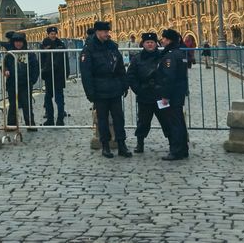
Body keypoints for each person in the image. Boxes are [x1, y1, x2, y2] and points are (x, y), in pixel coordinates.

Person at [80, 20, 130, 158]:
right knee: (102, 120)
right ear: (97, 32)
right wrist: (90, 92)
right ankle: (105, 145)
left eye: (108, 32)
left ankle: (121, 144)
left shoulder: (112, 46)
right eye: (104, 32)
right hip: (99, 89)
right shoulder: (89, 49)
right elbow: (86, 73)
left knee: (119, 118)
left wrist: (124, 84)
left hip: (114, 87)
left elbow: (120, 67)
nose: (107, 34)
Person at [126, 32, 166, 154]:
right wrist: (138, 89)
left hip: (161, 95)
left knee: (166, 120)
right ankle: (140, 143)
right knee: (143, 121)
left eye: (152, 42)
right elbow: (131, 75)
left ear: (156, 44)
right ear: (143, 44)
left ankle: (173, 142)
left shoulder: (162, 57)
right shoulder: (137, 58)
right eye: (147, 42)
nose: (150, 44)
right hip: (144, 94)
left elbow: (168, 74)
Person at [157, 28, 190, 160]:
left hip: (173, 94)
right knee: (180, 122)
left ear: (169, 40)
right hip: (179, 92)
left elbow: (169, 77)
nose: (162, 40)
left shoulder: (170, 55)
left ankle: (176, 151)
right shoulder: (179, 53)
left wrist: (165, 95)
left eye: (164, 38)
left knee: (174, 123)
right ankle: (183, 149)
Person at [2, 31, 40, 130]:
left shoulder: (30, 54)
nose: (18, 44)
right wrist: (5, 70)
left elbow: (35, 67)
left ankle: (30, 124)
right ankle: (11, 125)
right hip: (12, 83)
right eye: (16, 42)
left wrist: (32, 80)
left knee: (27, 104)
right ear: (13, 43)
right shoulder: (9, 54)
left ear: (23, 43)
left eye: (20, 42)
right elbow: (3, 65)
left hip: (25, 83)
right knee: (13, 105)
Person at [39, 26, 69, 126]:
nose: (53, 35)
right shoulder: (44, 44)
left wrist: (66, 72)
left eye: (54, 33)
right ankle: (50, 119)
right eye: (51, 34)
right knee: (48, 97)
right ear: (48, 34)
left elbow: (65, 59)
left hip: (58, 75)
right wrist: (43, 70)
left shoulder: (60, 44)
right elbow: (41, 59)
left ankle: (60, 119)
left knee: (59, 98)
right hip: (48, 75)